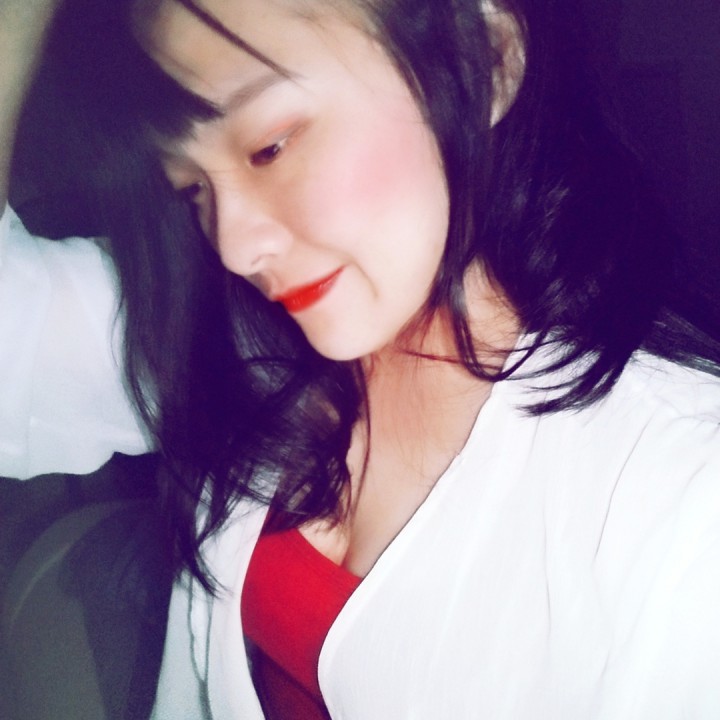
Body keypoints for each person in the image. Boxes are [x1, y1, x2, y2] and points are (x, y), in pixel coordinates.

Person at [3, 0, 720, 718]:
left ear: (485, 59)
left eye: (271, 146)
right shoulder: (223, 334)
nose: (235, 247)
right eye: (192, 189)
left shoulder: (682, 504)